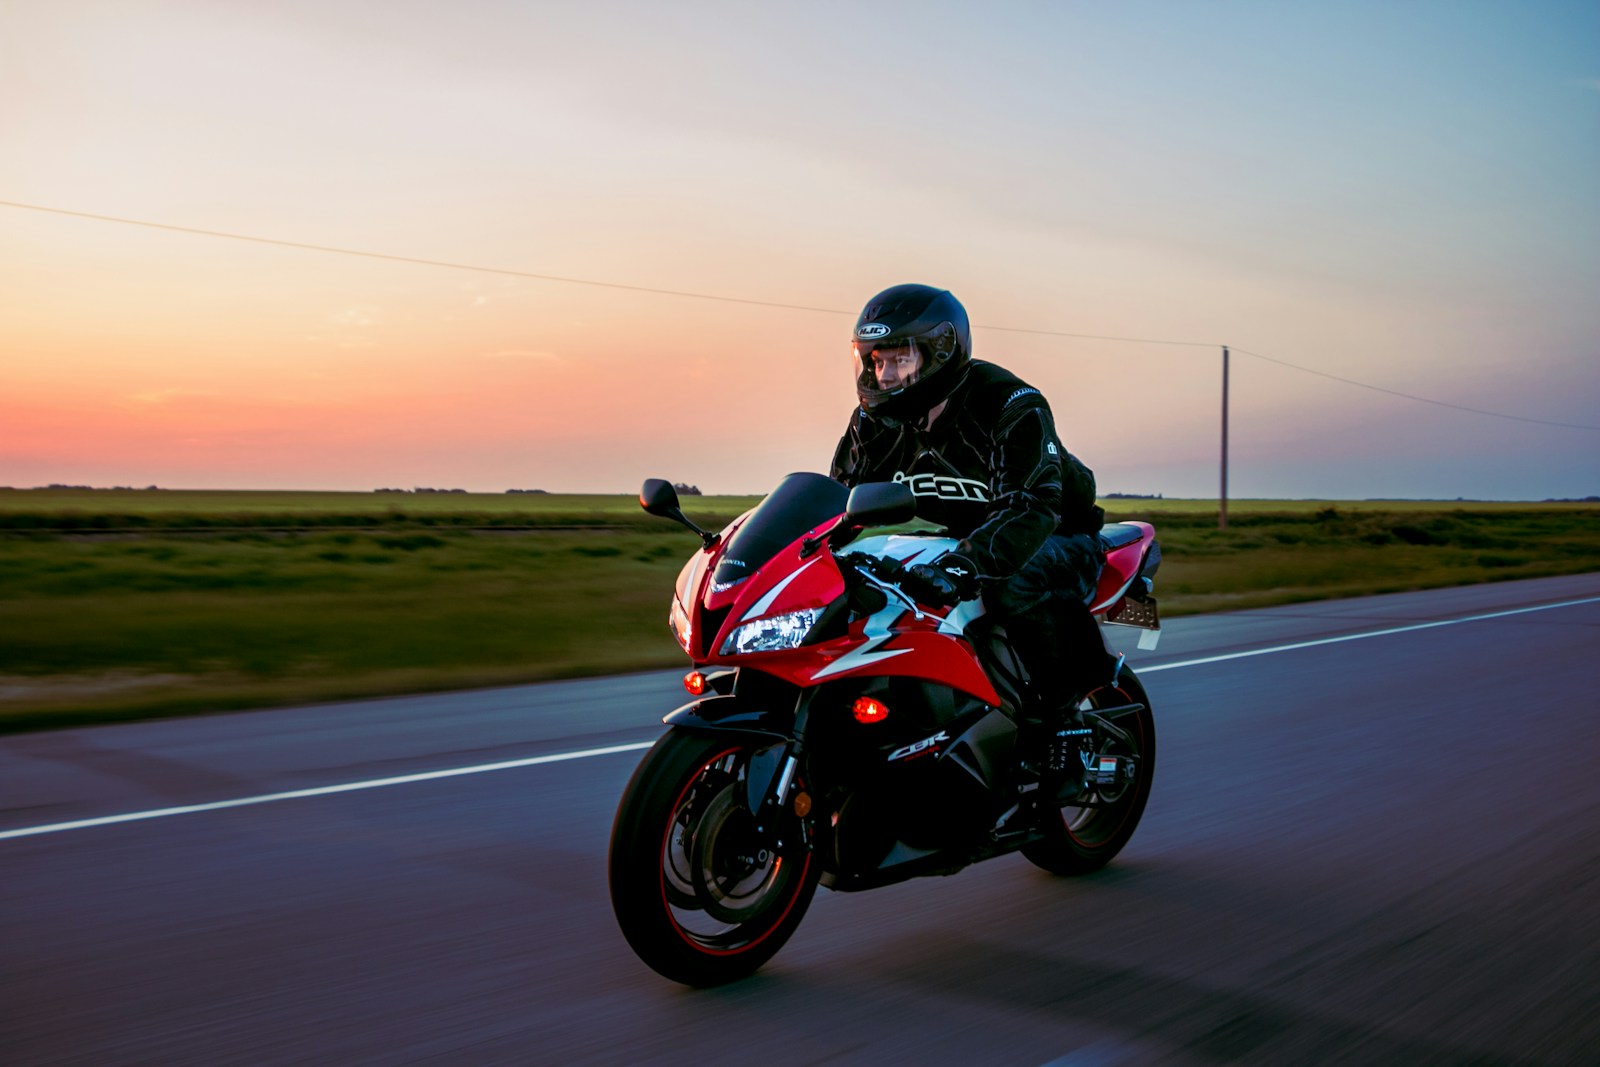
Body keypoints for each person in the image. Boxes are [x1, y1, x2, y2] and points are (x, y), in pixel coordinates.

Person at [828, 283, 1114, 783]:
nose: (885, 374)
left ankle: (1063, 721)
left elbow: (1031, 507)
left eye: (900, 359)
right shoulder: (875, 422)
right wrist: (799, 552)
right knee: (871, 580)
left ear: (940, 352)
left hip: (1055, 534)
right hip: (969, 534)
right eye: (875, 361)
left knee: (1008, 582)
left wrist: (962, 565)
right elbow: (838, 500)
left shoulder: (1009, 402)